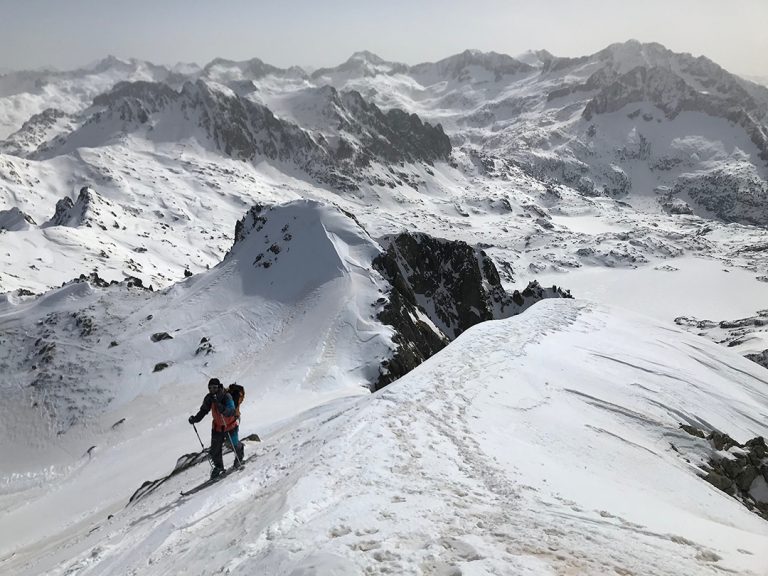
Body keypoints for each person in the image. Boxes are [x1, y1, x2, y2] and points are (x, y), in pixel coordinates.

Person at [189, 377, 245, 478]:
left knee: (233, 444)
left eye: (214, 387)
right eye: (210, 388)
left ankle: (239, 456)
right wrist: (195, 419)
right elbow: (203, 411)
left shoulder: (226, 396)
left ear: (219, 387)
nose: (212, 390)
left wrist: (221, 408)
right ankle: (219, 467)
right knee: (215, 449)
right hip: (217, 427)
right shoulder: (209, 398)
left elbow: (232, 411)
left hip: (230, 425)